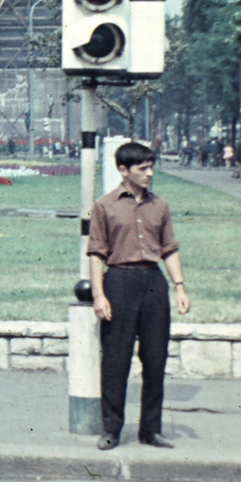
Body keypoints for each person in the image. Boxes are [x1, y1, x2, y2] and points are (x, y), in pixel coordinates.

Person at [88, 141, 190, 451]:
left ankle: (150, 430)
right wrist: (99, 295)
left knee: (155, 359)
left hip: (153, 284)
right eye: (143, 168)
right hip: (119, 282)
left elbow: (169, 248)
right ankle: (111, 429)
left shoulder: (160, 205)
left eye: (151, 167)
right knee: (116, 361)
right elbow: (95, 254)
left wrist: (180, 286)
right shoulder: (105, 206)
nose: (150, 173)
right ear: (123, 170)